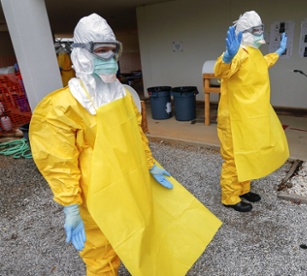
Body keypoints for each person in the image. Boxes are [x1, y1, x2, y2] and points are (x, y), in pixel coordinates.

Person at [29, 13, 221, 275]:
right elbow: (58, 161)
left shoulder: (123, 96)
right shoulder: (62, 106)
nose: (109, 58)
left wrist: (150, 165)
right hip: (95, 190)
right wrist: (71, 204)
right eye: (101, 50)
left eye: (112, 50)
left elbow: (136, 136)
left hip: (131, 180)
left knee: (136, 229)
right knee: (100, 252)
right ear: (84, 55)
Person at [214, 10, 290, 212]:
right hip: (234, 117)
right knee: (233, 158)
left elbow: (263, 64)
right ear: (245, 32)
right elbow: (221, 71)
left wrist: (278, 53)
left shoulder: (254, 54)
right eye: (255, 30)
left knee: (246, 155)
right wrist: (228, 57)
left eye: (261, 28)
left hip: (249, 116)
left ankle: (243, 189)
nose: (259, 33)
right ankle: (229, 196)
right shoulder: (238, 53)